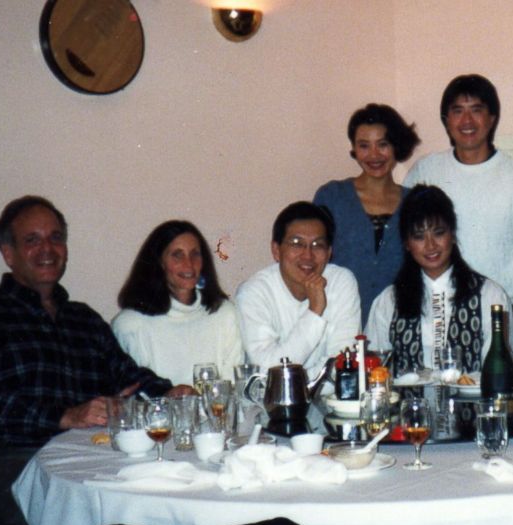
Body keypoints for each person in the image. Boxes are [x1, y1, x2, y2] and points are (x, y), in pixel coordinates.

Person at [0, 196, 191, 525]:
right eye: (32, 240)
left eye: (56, 238)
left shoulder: (83, 319)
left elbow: (127, 375)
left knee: (158, 483)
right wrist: (63, 416)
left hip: (82, 457)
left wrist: (168, 393)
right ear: (8, 254)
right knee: (103, 506)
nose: (47, 248)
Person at [404, 74, 513, 342]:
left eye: (476, 110)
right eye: (457, 111)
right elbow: (409, 241)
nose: (467, 121)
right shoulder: (425, 171)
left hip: (499, 318)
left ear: (492, 118)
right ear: (446, 121)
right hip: (431, 314)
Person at [365, 185, 513, 374]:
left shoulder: (490, 296)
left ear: (452, 234)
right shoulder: (388, 301)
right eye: (419, 236)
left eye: (439, 233)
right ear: (407, 244)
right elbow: (375, 370)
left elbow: (499, 373)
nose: (430, 245)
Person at [313, 103, 421, 324]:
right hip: (340, 321)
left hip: (399, 322)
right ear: (354, 149)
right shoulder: (332, 196)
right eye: (364, 145)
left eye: (383, 144)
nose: (374, 155)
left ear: (396, 146)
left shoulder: (415, 202)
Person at [235, 202, 361, 377]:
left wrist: (298, 383)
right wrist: (315, 312)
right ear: (276, 250)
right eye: (296, 243)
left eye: (318, 245)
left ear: (329, 252)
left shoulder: (341, 281)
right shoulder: (253, 293)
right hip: (268, 404)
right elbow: (268, 372)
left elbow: (343, 365)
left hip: (328, 400)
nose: (308, 255)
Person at [112, 220, 243, 385]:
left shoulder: (224, 314)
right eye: (177, 255)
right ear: (159, 262)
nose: (188, 264)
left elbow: (231, 389)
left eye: (195, 254)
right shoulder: (130, 325)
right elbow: (135, 395)